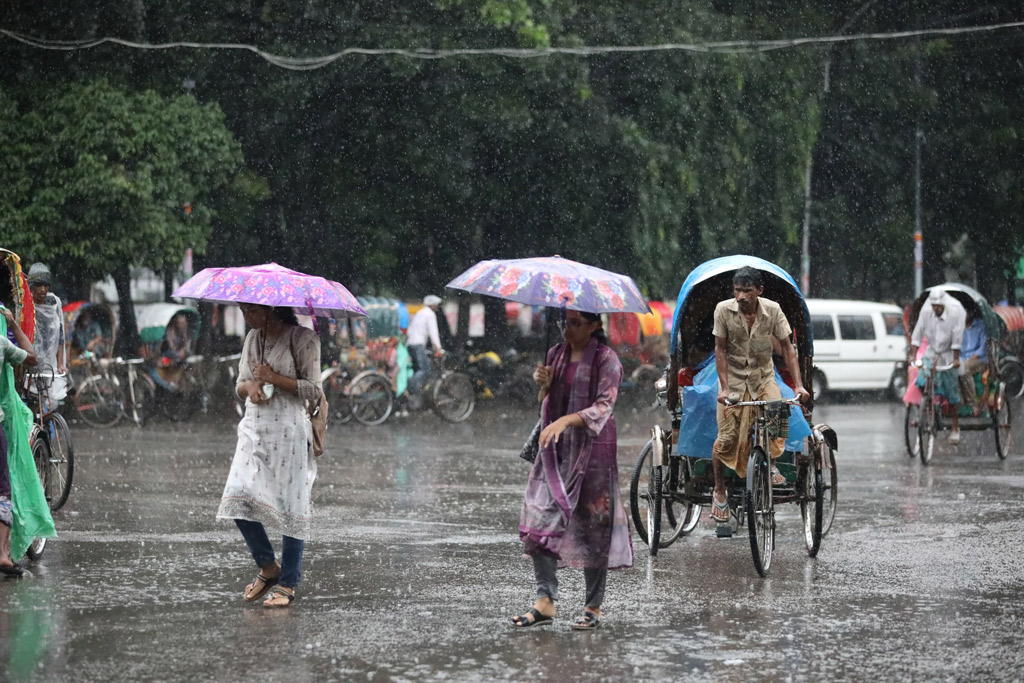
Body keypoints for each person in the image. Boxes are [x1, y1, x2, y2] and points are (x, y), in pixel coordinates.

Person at [513, 309, 632, 630]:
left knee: (593, 526)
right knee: (540, 518)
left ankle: (593, 607)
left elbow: (603, 407)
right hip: (555, 450)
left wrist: (566, 420)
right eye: (566, 322)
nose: (568, 329)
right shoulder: (555, 354)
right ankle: (545, 602)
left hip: (594, 451)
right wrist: (544, 386)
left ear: (595, 326)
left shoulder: (607, 360)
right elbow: (548, 402)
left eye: (577, 323)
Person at [217, 303, 322, 608]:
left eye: (250, 310)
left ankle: (288, 582)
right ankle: (267, 565)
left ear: (271, 309)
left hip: (289, 431)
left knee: (292, 503)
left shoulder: (304, 339)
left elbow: (313, 390)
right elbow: (240, 383)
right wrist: (249, 386)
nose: (245, 316)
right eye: (242, 310)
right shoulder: (253, 337)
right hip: (254, 428)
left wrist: (275, 379)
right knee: (237, 495)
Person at [709, 267, 809, 526]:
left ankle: (772, 461)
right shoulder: (723, 310)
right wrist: (723, 388)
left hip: (763, 377)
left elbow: (788, 348)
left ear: (759, 291)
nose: (741, 296)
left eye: (747, 290)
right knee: (726, 439)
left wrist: (798, 385)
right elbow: (719, 350)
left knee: (777, 407)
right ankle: (719, 490)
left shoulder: (773, 310)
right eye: (737, 290)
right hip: (732, 380)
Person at [0, 305, 39, 577]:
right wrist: (14, 324)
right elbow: (32, 358)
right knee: (3, 491)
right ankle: (3, 555)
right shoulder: (2, 343)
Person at [910, 288, 967, 444]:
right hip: (932, 352)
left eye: (938, 305)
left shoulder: (955, 312)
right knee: (921, 381)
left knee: (952, 392)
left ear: (943, 304)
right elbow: (917, 333)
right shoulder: (926, 312)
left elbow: (957, 337)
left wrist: (955, 359)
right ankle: (929, 408)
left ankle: (955, 426)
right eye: (933, 305)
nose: (935, 308)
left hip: (948, 354)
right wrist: (913, 354)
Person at [25, 264, 67, 407]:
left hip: (50, 362)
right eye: (38, 285)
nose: (42, 290)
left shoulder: (54, 302)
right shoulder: (25, 304)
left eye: (45, 285)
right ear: (31, 286)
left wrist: (60, 364)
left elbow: (59, 335)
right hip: (30, 360)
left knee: (50, 404)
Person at [406, 295, 444, 404]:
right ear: (433, 305)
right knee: (424, 370)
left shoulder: (420, 312)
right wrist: (439, 349)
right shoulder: (430, 314)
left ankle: (414, 395)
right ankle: (410, 389)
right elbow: (433, 333)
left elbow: (410, 330)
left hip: (410, 344)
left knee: (416, 369)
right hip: (418, 345)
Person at [959, 309, 988, 413]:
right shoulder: (957, 326)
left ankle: (972, 404)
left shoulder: (981, 325)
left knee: (964, 369)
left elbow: (982, 348)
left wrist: (967, 360)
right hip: (961, 359)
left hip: (979, 360)